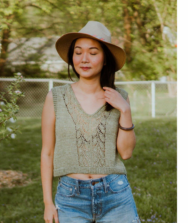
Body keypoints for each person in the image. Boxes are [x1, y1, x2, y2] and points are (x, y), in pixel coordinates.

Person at [41, 21, 140, 223]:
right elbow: (47, 152)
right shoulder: (56, 97)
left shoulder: (120, 97)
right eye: (78, 52)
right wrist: (48, 204)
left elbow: (126, 153)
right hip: (70, 198)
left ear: (105, 60)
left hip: (116, 194)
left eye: (93, 53)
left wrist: (125, 110)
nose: (84, 59)